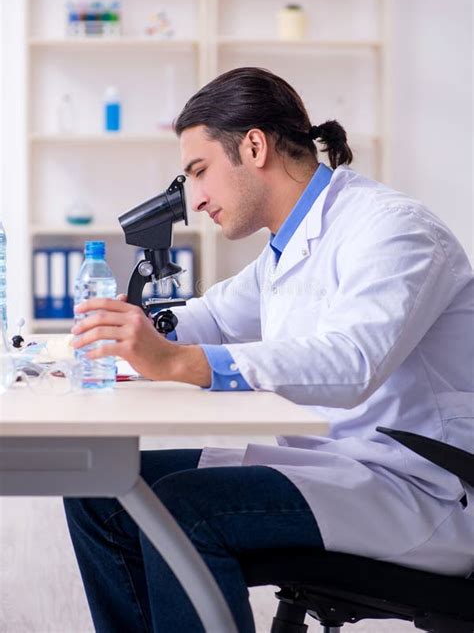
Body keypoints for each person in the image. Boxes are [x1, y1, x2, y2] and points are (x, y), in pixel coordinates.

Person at [64, 67, 474, 633]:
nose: (196, 198)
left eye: (200, 171)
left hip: (421, 488)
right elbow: (214, 315)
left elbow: (353, 360)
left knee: (180, 508)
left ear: (254, 146)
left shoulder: (394, 230)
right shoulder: (287, 247)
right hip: (338, 467)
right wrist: (129, 328)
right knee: (101, 488)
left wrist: (184, 363)